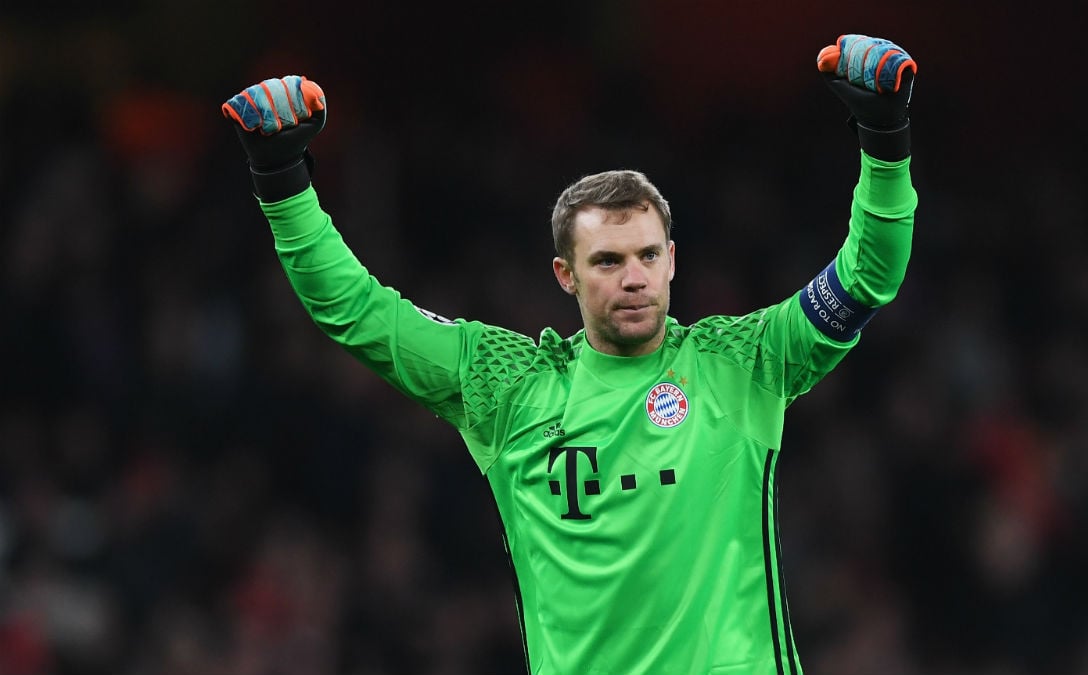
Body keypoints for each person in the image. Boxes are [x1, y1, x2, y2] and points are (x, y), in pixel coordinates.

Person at [221, 33, 918, 675]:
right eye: (609, 260)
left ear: (673, 260)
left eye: (649, 255)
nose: (635, 276)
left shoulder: (742, 362)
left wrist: (885, 140)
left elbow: (868, 274)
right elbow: (358, 311)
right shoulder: (507, 386)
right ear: (566, 275)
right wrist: (284, 180)